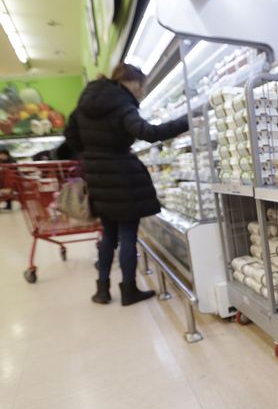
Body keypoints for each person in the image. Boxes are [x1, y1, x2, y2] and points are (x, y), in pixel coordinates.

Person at [64, 63, 188, 306]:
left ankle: (102, 290)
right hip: (122, 177)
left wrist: (92, 157)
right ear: (132, 82)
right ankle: (129, 290)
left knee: (109, 235)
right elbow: (148, 132)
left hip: (97, 178)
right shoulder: (122, 103)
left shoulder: (84, 103)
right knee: (128, 235)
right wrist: (187, 121)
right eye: (142, 87)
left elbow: (70, 137)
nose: (142, 93)